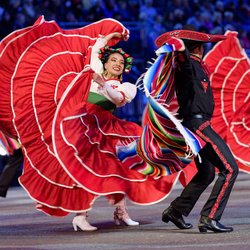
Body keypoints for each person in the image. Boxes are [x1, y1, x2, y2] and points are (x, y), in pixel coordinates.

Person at [155, 26, 239, 233]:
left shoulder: (197, 66)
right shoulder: (187, 65)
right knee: (230, 169)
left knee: (206, 172)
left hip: (197, 124)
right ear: (199, 48)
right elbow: (182, 60)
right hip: (197, 125)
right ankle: (210, 218)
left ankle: (176, 210)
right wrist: (181, 47)